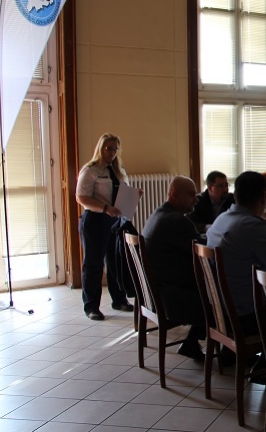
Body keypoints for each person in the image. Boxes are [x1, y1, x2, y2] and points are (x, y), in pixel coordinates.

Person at [207, 171, 266, 335]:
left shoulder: (221, 220)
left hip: (219, 311)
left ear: (235, 195)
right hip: (248, 317)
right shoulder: (254, 226)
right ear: (264, 198)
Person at [142, 176, 206, 360]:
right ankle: (233, 350)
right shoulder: (176, 221)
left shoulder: (157, 214)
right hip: (170, 298)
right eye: (191, 195)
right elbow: (203, 249)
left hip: (155, 292)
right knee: (221, 298)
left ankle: (191, 343)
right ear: (175, 195)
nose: (196, 200)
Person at [76, 133, 138, 321]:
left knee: (115, 262)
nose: (112, 152)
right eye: (108, 148)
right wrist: (104, 208)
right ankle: (91, 306)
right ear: (101, 148)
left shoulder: (119, 170)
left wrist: (134, 195)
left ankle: (119, 300)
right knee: (94, 265)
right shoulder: (91, 170)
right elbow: (81, 197)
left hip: (114, 222)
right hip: (95, 220)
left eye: (115, 149)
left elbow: (121, 192)